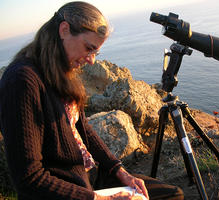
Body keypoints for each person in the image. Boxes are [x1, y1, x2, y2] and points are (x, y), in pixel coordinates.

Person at [0, 1, 184, 200]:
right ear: (64, 30)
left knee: (173, 195)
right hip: (61, 191)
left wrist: (119, 170)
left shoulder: (59, 70)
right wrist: (98, 199)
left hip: (87, 176)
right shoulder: (22, 81)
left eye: (95, 52)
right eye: (88, 48)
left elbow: (81, 127)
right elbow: (29, 178)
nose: (91, 60)